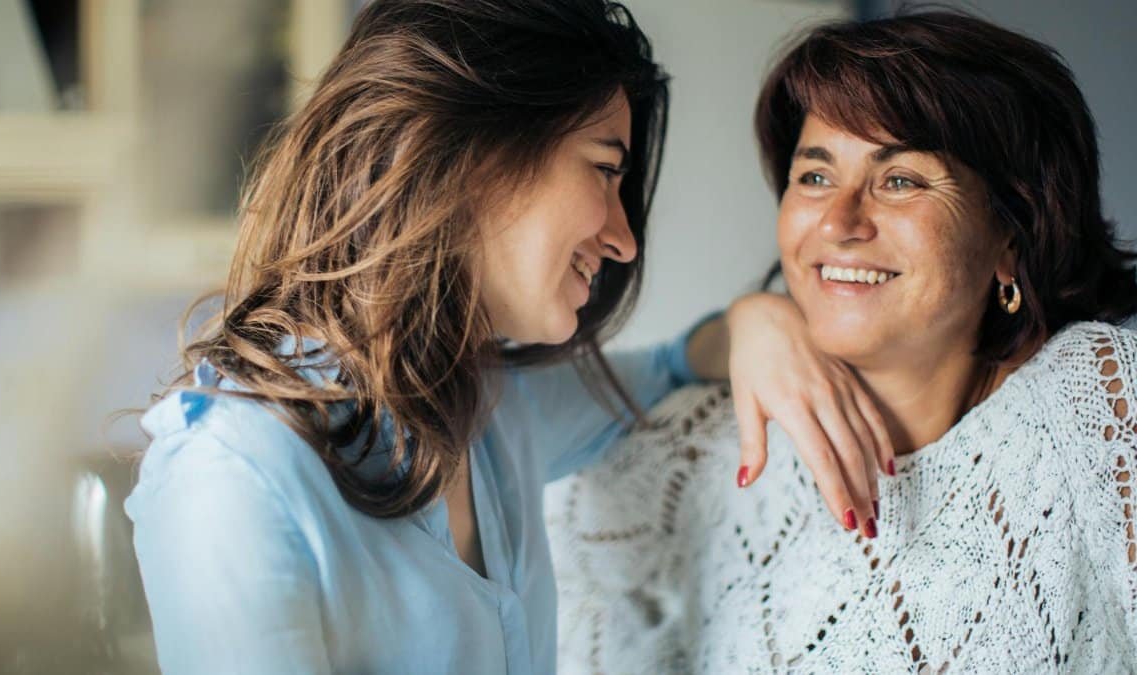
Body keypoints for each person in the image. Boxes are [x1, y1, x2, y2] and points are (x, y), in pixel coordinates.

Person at [123, 1, 889, 673]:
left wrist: (762, 318)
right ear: (471, 158)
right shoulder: (233, 477)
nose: (623, 238)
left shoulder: (488, 406)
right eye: (603, 169)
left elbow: (667, 368)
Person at [550, 10, 1137, 673]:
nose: (839, 220)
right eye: (816, 175)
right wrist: (748, 317)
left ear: (1012, 235)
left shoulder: (1099, 404)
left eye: (900, 180)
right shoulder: (698, 450)